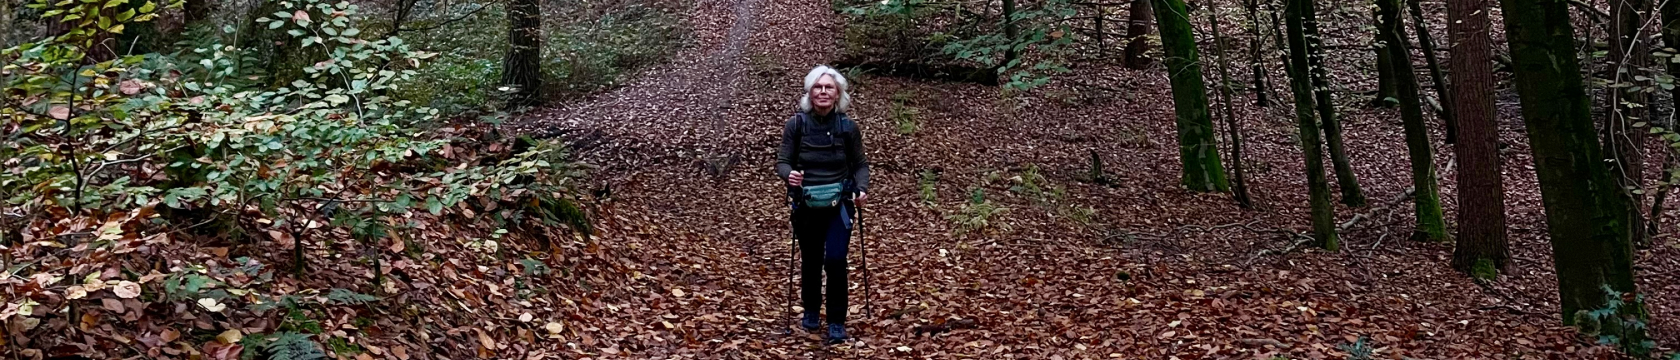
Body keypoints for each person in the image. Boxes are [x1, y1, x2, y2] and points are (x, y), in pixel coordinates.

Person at [775, 65, 870, 344]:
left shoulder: (848, 127)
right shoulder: (796, 124)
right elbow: (783, 161)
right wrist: (788, 175)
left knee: (836, 259)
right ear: (809, 92)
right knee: (812, 258)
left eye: (829, 87)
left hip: (839, 203)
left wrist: (861, 189)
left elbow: (860, 165)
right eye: (818, 87)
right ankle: (812, 310)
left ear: (838, 93)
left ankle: (837, 321)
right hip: (806, 203)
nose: (823, 92)